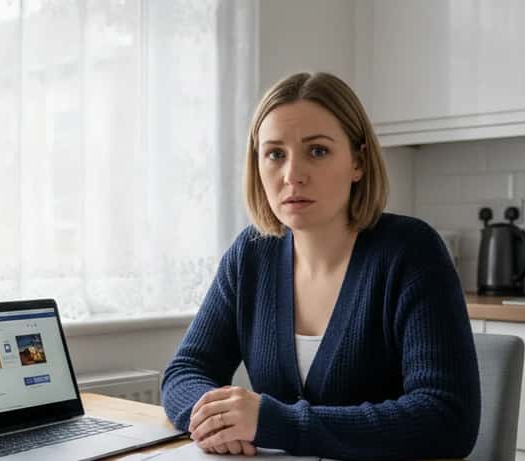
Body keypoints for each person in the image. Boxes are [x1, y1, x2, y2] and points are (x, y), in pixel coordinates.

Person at [161, 72, 480, 460]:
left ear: (357, 162)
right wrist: (217, 420)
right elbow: (184, 372)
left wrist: (273, 422)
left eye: (317, 151)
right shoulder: (251, 255)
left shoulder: (411, 252)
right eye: (275, 154)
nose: (292, 175)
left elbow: (447, 420)